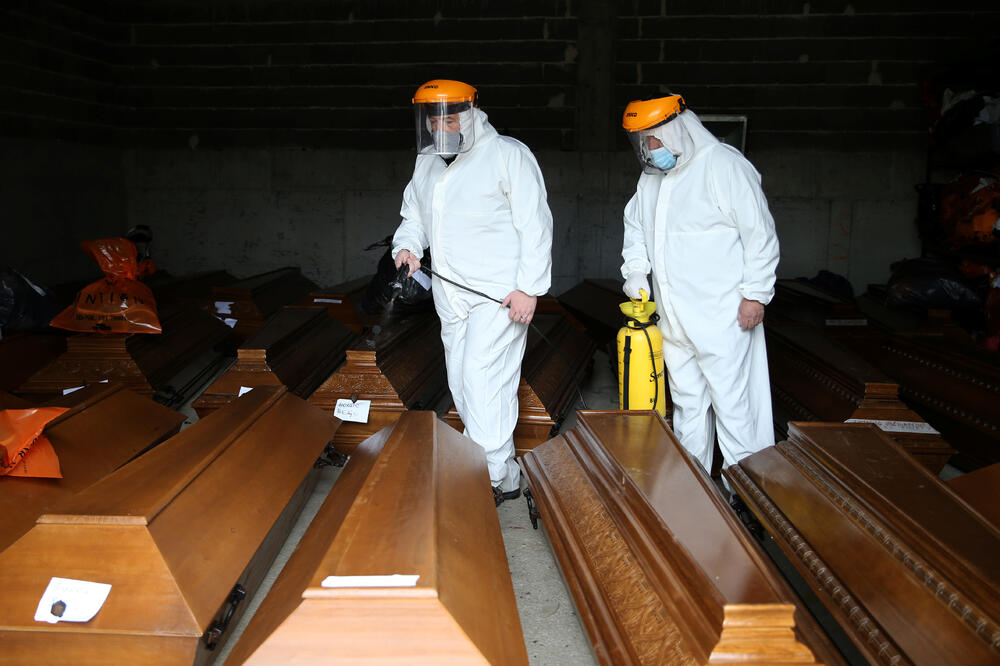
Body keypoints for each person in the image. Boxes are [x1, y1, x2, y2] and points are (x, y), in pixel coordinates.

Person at [391, 79, 553, 505]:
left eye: (449, 115)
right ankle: (504, 473)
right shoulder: (427, 162)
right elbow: (414, 214)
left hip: (499, 296)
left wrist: (530, 290)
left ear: (471, 111)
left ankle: (484, 478)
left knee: (483, 379)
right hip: (451, 294)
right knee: (464, 384)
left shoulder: (507, 156)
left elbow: (535, 226)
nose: (441, 124)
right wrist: (407, 245)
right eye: (433, 117)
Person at [619, 93, 780, 472]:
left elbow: (760, 235)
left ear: (677, 130)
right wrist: (637, 272)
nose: (649, 149)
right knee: (688, 405)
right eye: (642, 141)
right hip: (674, 319)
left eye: (654, 139)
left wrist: (755, 295)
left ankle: (747, 496)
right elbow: (636, 231)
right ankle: (693, 489)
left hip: (724, 316)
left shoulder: (723, 166)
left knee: (735, 406)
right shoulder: (651, 180)